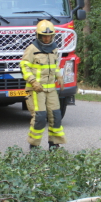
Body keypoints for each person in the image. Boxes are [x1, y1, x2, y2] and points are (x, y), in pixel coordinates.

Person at [21, 20, 65, 150]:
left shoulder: (54, 49)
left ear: (53, 36)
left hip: (50, 89)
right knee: (40, 117)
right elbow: (24, 66)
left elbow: (54, 65)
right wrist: (33, 81)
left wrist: (59, 76)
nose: (47, 38)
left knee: (56, 115)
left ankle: (54, 143)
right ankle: (34, 145)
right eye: (44, 36)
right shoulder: (32, 49)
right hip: (36, 89)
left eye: (49, 36)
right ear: (38, 36)